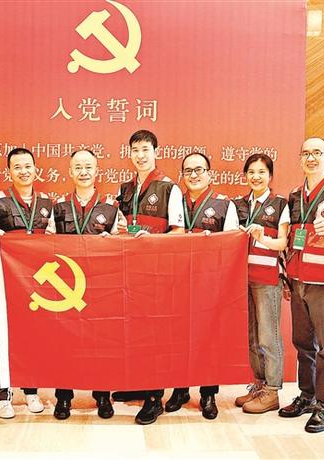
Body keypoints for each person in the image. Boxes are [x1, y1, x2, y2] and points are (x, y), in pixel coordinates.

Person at [45, 149, 126, 421]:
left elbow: (122, 245)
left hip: (100, 287)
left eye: (88, 167)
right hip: (66, 286)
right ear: (70, 172)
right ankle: (63, 397)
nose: (83, 172)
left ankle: (102, 395)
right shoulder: (58, 206)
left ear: (96, 171)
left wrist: (110, 243)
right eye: (78, 167)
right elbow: (47, 244)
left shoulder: (111, 206)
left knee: (101, 342)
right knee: (63, 342)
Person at [279, 137, 324, 433]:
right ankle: (306, 396)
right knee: (303, 344)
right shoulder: (295, 195)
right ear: (300, 159)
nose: (311, 158)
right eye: (306, 153)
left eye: (317, 153)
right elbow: (290, 238)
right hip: (298, 280)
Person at [114, 129, 185, 425]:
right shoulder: (125, 188)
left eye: (145, 149)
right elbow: (120, 226)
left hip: (158, 273)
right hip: (129, 271)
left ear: (156, 152)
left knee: (156, 333)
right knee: (134, 329)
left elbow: (179, 232)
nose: (140, 155)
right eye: (135, 150)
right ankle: (140, 384)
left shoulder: (170, 188)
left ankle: (155, 398)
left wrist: (151, 240)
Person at [164, 152, 239, 420]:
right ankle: (180, 389)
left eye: (199, 170)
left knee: (209, 338)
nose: (193, 175)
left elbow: (232, 244)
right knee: (177, 336)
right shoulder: (174, 202)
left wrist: (214, 243)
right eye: (188, 171)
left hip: (211, 283)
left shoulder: (224, 205)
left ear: (210, 174)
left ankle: (208, 394)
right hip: (177, 280)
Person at [0, 147, 54, 418]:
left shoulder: (47, 202)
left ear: (36, 169)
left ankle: (31, 391)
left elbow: (54, 244)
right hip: (5, 284)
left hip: (37, 286)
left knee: (32, 339)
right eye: (17, 167)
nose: (23, 171)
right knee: (2, 339)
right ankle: (2, 395)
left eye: (28, 166)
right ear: (9, 171)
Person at [232, 153, 289, 414]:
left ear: (270, 176)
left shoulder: (280, 204)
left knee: (269, 336)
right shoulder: (239, 205)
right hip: (243, 279)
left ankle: (273, 391)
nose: (256, 177)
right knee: (252, 337)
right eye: (251, 172)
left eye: (261, 172)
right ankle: (259, 385)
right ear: (245, 175)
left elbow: (283, 243)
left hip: (267, 279)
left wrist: (262, 237)